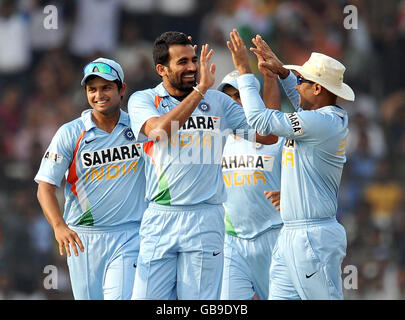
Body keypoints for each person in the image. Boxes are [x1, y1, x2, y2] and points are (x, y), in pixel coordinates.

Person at [127, 31, 277, 300]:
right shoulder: (144, 99)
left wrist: (250, 73)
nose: (193, 67)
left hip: (206, 218)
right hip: (161, 215)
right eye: (182, 62)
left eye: (193, 60)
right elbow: (159, 131)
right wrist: (200, 90)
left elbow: (267, 134)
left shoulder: (219, 102)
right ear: (161, 69)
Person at [226, 29, 355, 300]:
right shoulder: (320, 118)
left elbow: (260, 121)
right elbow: (300, 102)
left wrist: (244, 72)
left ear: (317, 88)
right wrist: (283, 73)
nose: (296, 86)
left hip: (313, 238)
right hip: (293, 234)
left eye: (301, 81)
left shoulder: (320, 122)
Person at [35, 58, 147, 300]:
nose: (99, 95)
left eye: (106, 87)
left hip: (130, 235)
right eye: (92, 89)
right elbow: (45, 187)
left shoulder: (140, 128)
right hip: (82, 239)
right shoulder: (70, 133)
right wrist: (58, 226)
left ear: (122, 89)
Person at [218, 70, 284, 300]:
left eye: (240, 95)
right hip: (232, 239)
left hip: (275, 235)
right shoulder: (217, 141)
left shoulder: (278, 139)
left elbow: (303, 180)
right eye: (229, 97)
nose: (234, 102)